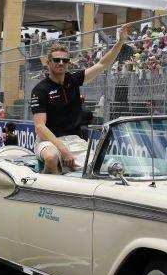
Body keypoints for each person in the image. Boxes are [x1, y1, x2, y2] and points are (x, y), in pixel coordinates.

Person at [32, 28, 126, 173]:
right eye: (56, 60)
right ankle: (48, 189)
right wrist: (63, 149)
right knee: (51, 158)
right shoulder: (40, 89)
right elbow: (40, 127)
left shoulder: (73, 80)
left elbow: (102, 64)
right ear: (48, 62)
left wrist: (120, 42)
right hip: (48, 141)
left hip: (74, 140)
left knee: (99, 169)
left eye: (65, 60)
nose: (61, 63)